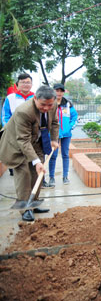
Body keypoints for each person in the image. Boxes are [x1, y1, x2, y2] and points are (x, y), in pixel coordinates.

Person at [0, 85, 59, 222]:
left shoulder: (53, 104)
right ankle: (25, 209)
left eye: (49, 105)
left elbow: (55, 122)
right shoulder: (24, 111)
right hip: (16, 145)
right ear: (35, 98)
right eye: (43, 104)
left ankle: (33, 203)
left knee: (37, 174)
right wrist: (36, 161)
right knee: (24, 175)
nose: (46, 108)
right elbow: (23, 140)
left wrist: (54, 139)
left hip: (36, 141)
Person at [42, 83, 78, 187]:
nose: (59, 93)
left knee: (65, 155)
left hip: (66, 134)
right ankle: (52, 177)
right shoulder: (50, 103)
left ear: (63, 92)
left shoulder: (68, 103)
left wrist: (70, 126)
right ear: (53, 91)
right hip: (53, 134)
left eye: (61, 91)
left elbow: (74, 116)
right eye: (57, 90)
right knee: (52, 155)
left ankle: (65, 176)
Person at [2, 73, 35, 176]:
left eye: (28, 82)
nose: (26, 84)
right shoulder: (10, 98)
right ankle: (15, 170)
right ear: (17, 84)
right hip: (14, 131)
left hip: (31, 132)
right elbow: (5, 115)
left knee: (31, 153)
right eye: (23, 82)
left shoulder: (36, 97)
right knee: (16, 153)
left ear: (31, 84)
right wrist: (8, 128)